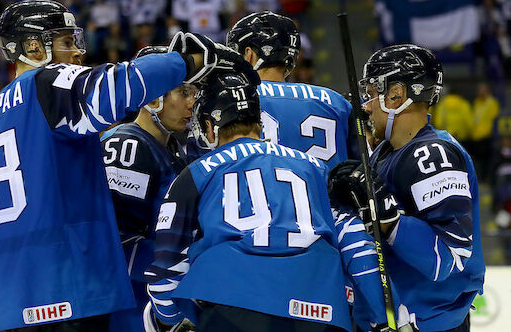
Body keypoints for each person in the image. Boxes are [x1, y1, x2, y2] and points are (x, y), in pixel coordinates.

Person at [0, 0, 243, 331]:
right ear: (34, 48)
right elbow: (114, 90)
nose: (78, 52)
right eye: (67, 42)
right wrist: (188, 61)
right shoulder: (46, 83)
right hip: (62, 290)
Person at [144, 71, 393, 332]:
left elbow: (165, 271)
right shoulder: (317, 169)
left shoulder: (197, 172)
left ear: (210, 125)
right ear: (258, 121)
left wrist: (172, 319)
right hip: (319, 310)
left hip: (232, 306)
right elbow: (355, 239)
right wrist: (384, 317)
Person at [329, 44, 485, 331]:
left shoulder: (432, 155)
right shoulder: (386, 152)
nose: (366, 104)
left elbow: (447, 259)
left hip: (426, 321)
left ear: (397, 94)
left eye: (373, 93)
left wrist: (389, 219)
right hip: (395, 318)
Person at [100, 45, 195, 331]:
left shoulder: (177, 148)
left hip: (159, 293)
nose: (192, 102)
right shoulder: (125, 145)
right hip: (130, 301)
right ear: (153, 99)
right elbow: (115, 244)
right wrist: (183, 267)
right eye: (183, 92)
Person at [226, 11, 356, 171]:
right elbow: (362, 167)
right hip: (326, 194)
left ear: (249, 54)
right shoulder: (336, 101)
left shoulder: (233, 98)